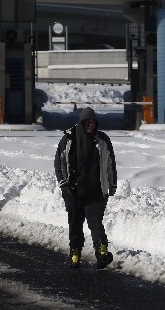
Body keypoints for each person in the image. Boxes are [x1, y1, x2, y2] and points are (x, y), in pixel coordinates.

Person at [54, 107, 117, 269]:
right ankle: (75, 253)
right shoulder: (69, 139)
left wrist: (112, 183)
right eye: (87, 122)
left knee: (95, 222)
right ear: (81, 123)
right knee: (75, 222)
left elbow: (110, 163)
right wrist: (63, 183)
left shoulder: (102, 140)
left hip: (96, 190)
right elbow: (59, 163)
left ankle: (101, 253)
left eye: (93, 122)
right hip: (73, 190)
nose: (90, 125)